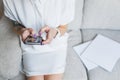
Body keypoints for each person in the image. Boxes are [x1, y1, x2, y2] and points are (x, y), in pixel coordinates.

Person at [3, 0, 75, 80]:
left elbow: (63, 27)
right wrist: (22, 31)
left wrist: (55, 32)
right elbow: (15, 25)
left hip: (56, 46)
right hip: (31, 49)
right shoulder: (11, 2)